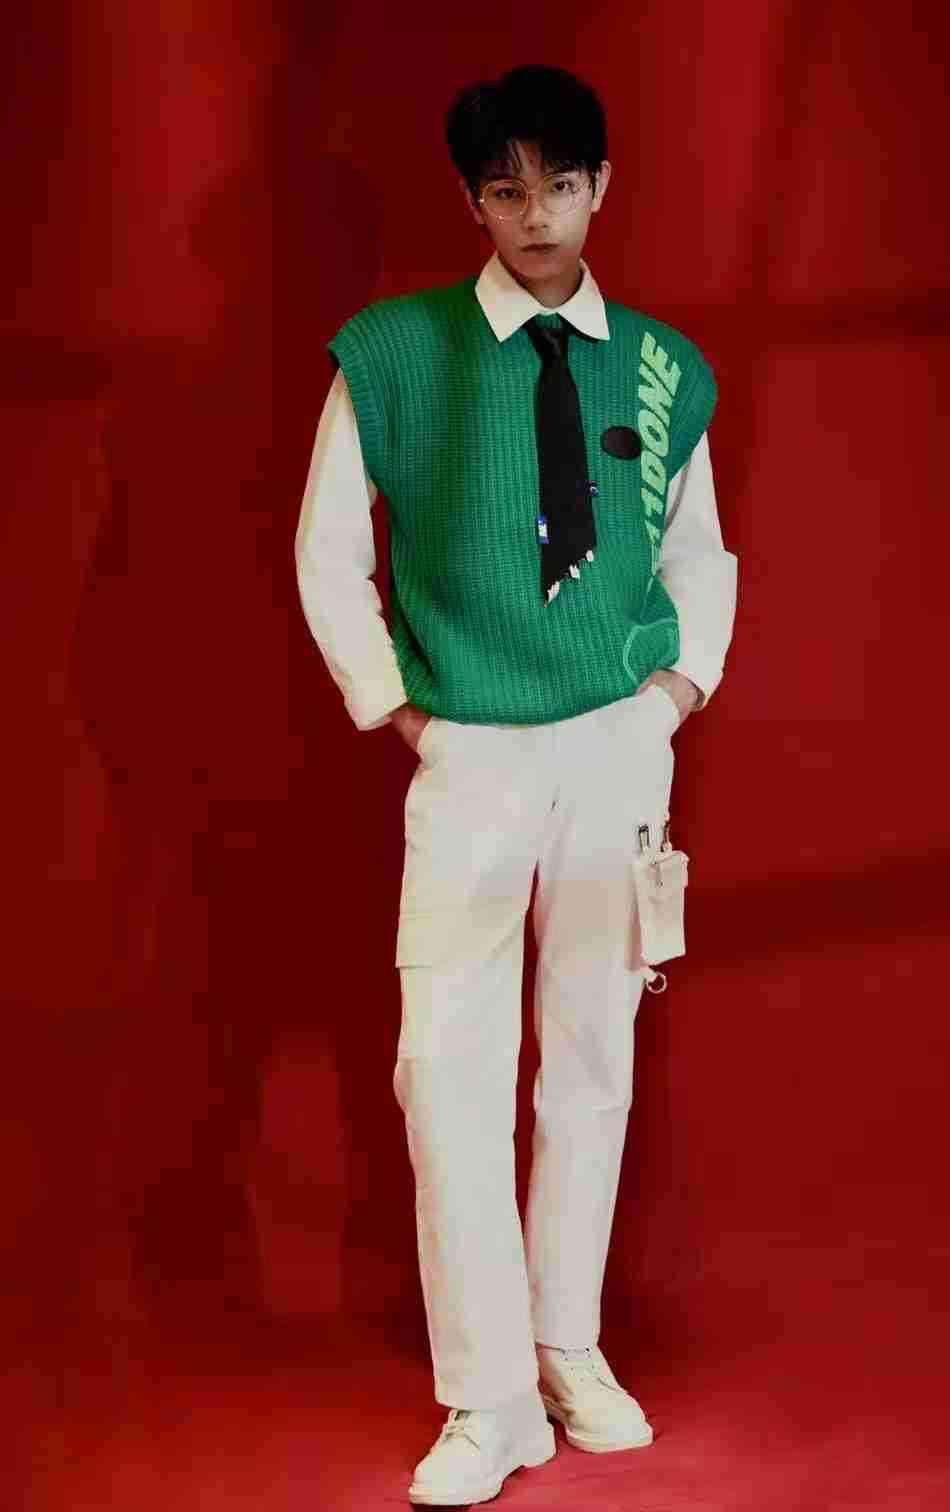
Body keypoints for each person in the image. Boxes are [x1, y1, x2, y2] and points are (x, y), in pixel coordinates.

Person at [295, 62, 737, 1508]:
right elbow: (327, 553)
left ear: (603, 187)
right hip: (472, 745)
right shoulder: (396, 355)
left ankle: (566, 1345)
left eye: (560, 183)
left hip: (614, 737)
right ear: (470, 200)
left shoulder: (662, 367)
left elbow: (698, 554)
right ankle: (485, 1399)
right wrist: (403, 711)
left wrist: (672, 696)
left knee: (593, 1053)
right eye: (505, 189)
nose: (535, 213)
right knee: (448, 1064)